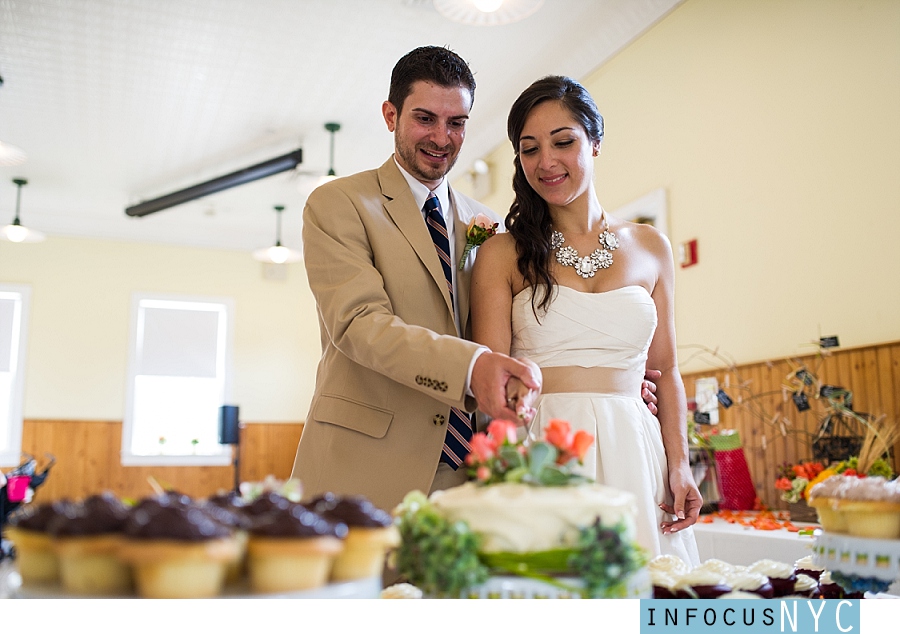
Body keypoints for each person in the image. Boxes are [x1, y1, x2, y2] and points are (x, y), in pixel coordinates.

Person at [290, 46, 543, 513]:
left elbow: (510, 332)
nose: (442, 137)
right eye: (425, 118)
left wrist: (610, 376)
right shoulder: (337, 204)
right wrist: (471, 368)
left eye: (457, 123)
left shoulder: (488, 225)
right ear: (391, 115)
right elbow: (359, 325)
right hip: (366, 466)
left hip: (472, 470)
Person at [471, 75, 700, 564]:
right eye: (529, 149)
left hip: (636, 451)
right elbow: (494, 386)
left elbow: (669, 369)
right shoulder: (502, 254)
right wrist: (512, 477)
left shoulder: (651, 247)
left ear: (595, 143)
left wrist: (679, 464)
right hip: (546, 450)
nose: (546, 162)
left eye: (563, 142)